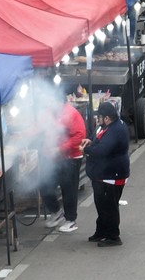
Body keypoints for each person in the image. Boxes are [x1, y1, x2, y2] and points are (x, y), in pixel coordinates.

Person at [80, 102, 129, 247]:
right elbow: (98, 140)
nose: (97, 119)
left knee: (109, 206)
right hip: (102, 175)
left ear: (107, 118)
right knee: (101, 204)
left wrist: (86, 151)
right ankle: (101, 230)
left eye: (99, 117)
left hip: (112, 176)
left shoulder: (116, 130)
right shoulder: (107, 127)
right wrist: (90, 142)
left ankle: (113, 236)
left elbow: (102, 150)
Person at [39, 93, 86, 233]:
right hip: (53, 158)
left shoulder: (71, 113)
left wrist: (60, 148)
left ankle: (71, 219)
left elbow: (80, 136)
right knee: (44, 185)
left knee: (69, 189)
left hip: (71, 158)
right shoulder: (49, 112)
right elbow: (39, 127)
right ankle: (56, 211)